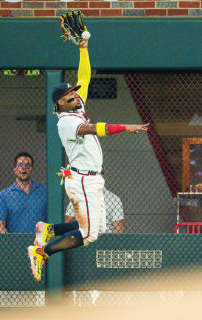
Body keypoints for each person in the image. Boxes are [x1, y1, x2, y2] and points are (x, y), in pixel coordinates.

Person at [27, 33, 149, 281]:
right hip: (81, 180)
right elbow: (95, 129)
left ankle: (48, 230)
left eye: (74, 94)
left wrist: (83, 48)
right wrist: (126, 127)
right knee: (90, 233)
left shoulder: (75, 106)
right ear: (60, 102)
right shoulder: (66, 121)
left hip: (91, 179)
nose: (75, 95)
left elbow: (85, 77)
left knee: (99, 228)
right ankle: (41, 251)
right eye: (70, 95)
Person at [0, 152, 47, 234]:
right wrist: (11, 243)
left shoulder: (45, 192)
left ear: (31, 169)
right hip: (14, 243)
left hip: (41, 243)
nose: (24, 167)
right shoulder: (4, 195)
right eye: (20, 165)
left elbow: (55, 220)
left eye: (27, 165)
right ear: (15, 169)